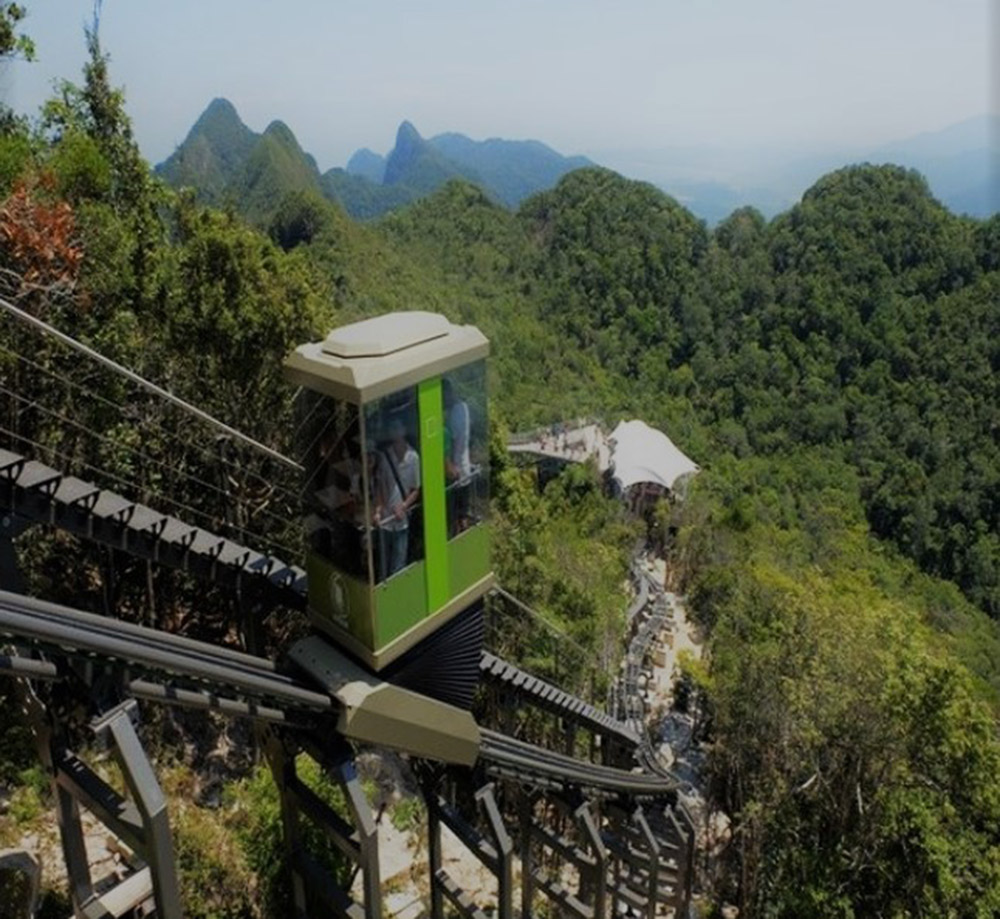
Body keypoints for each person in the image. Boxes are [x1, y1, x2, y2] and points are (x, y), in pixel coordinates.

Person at [375, 419, 420, 579]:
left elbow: (415, 490)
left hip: (402, 522)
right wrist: (378, 511)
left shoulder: (413, 457)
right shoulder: (385, 456)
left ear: (403, 430)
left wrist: (404, 506)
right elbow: (380, 486)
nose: (393, 431)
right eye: (391, 428)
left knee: (398, 568)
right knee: (383, 568)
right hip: (386, 522)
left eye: (396, 427)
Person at [443, 378, 471, 533]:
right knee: (463, 512)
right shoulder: (464, 407)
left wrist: (450, 466)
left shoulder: (455, 413)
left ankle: (459, 535)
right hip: (464, 468)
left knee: (456, 515)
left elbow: (453, 442)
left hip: (457, 471)